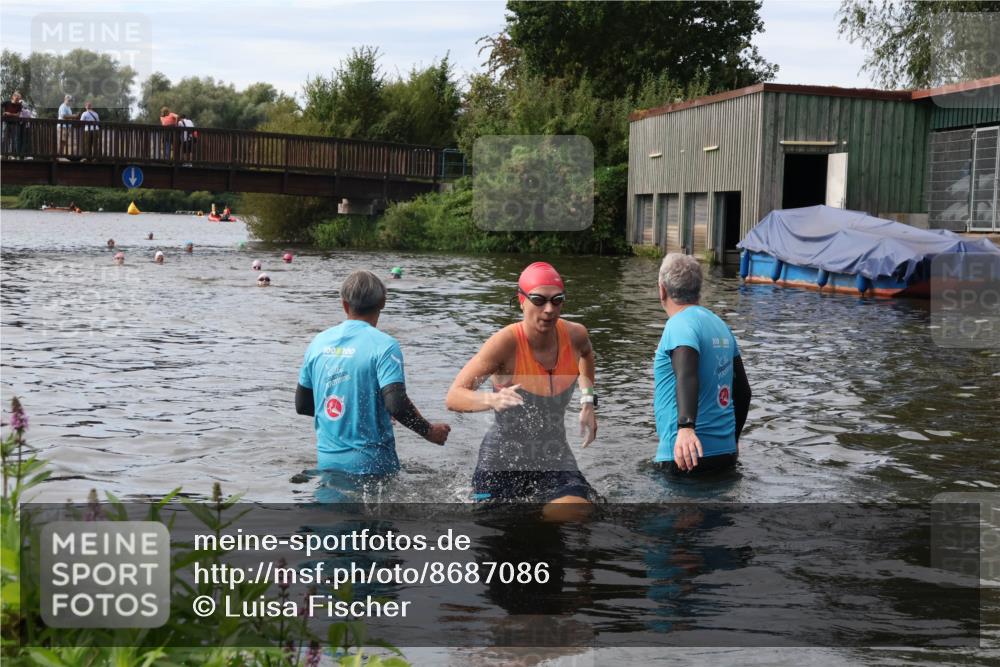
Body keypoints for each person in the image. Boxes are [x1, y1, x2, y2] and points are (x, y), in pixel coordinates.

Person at [446, 262, 598, 520]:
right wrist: (491, 398)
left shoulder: (575, 334)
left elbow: (586, 356)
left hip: (553, 453)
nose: (549, 310)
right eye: (538, 300)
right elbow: (454, 396)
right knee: (503, 528)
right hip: (503, 460)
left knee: (576, 511)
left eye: (557, 300)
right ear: (521, 300)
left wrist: (588, 401)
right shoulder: (505, 343)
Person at [296, 270, 450, 477]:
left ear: (344, 304)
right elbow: (397, 404)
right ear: (383, 303)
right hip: (373, 467)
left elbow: (303, 405)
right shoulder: (385, 346)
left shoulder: (318, 342)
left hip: (327, 463)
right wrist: (430, 432)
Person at [653, 253, 751, 474]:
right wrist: (732, 439)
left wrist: (686, 427)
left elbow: (686, 373)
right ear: (699, 290)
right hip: (724, 454)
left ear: (662, 290)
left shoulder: (678, 325)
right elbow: (743, 392)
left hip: (684, 455)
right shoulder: (721, 326)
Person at [2, 91, 24, 156]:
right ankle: (3, 153)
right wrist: (3, 113)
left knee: (14, 139)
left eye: (18, 99)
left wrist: (9, 114)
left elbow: (18, 115)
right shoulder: (6, 103)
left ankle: (12, 154)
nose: (17, 100)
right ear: (13, 97)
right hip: (6, 122)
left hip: (15, 123)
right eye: (17, 99)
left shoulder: (19, 105)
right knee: (4, 138)